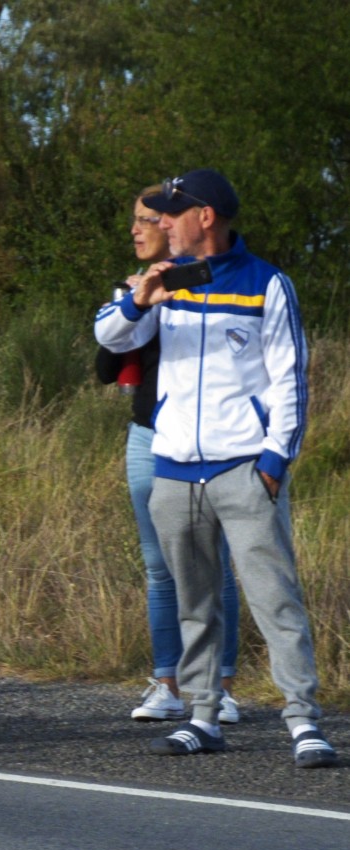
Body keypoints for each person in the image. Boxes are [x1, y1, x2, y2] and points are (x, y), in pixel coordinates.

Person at [95, 169, 337, 768]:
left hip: (244, 469)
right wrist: (140, 298)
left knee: (273, 596)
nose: (160, 224)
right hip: (174, 467)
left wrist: (275, 461)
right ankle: (202, 716)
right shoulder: (163, 284)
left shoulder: (267, 284)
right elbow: (109, 338)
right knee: (194, 599)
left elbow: (290, 380)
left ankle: (303, 720)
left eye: (171, 214)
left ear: (206, 217)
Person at [95, 185, 241, 724]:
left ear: (176, 223)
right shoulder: (136, 288)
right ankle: (168, 684)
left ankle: (222, 687)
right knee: (160, 568)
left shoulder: (213, 280)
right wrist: (138, 303)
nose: (136, 229)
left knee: (214, 567)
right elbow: (105, 367)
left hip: (207, 440)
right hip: (148, 436)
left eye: (147, 219)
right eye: (133, 220)